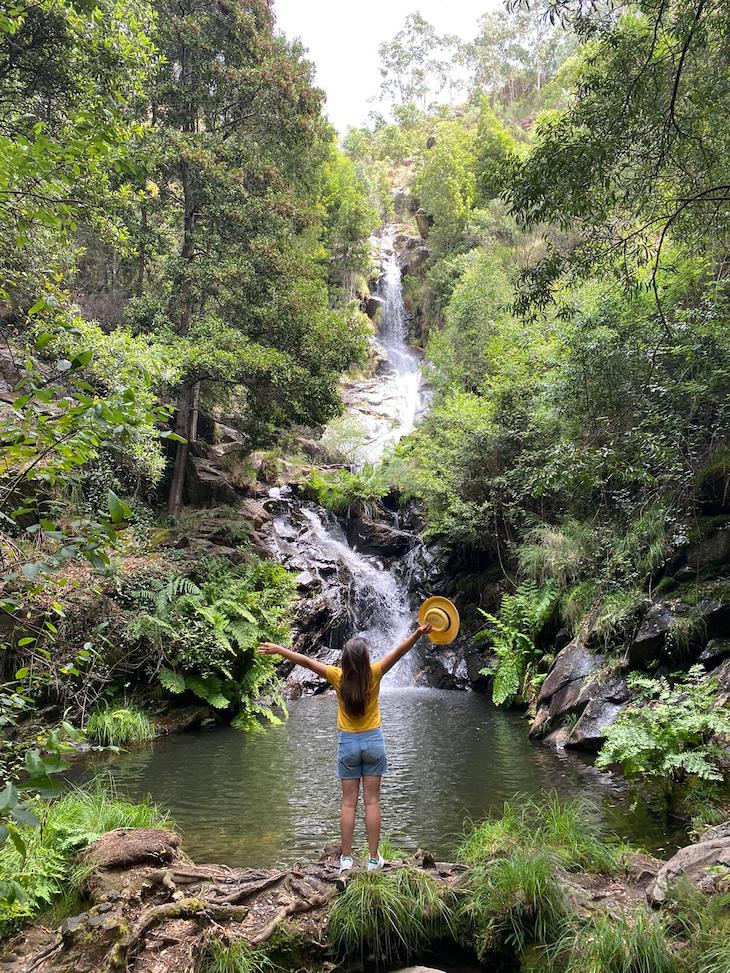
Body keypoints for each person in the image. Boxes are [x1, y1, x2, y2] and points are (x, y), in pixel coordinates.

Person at [258, 621, 432, 873]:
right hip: (373, 740)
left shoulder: (337, 677)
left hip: (348, 743)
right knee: (372, 802)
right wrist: (417, 633)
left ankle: (347, 859)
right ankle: (374, 860)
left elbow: (306, 661)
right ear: (365, 660)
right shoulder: (375, 672)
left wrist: (279, 650)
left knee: (348, 803)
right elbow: (400, 651)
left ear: (345, 661)